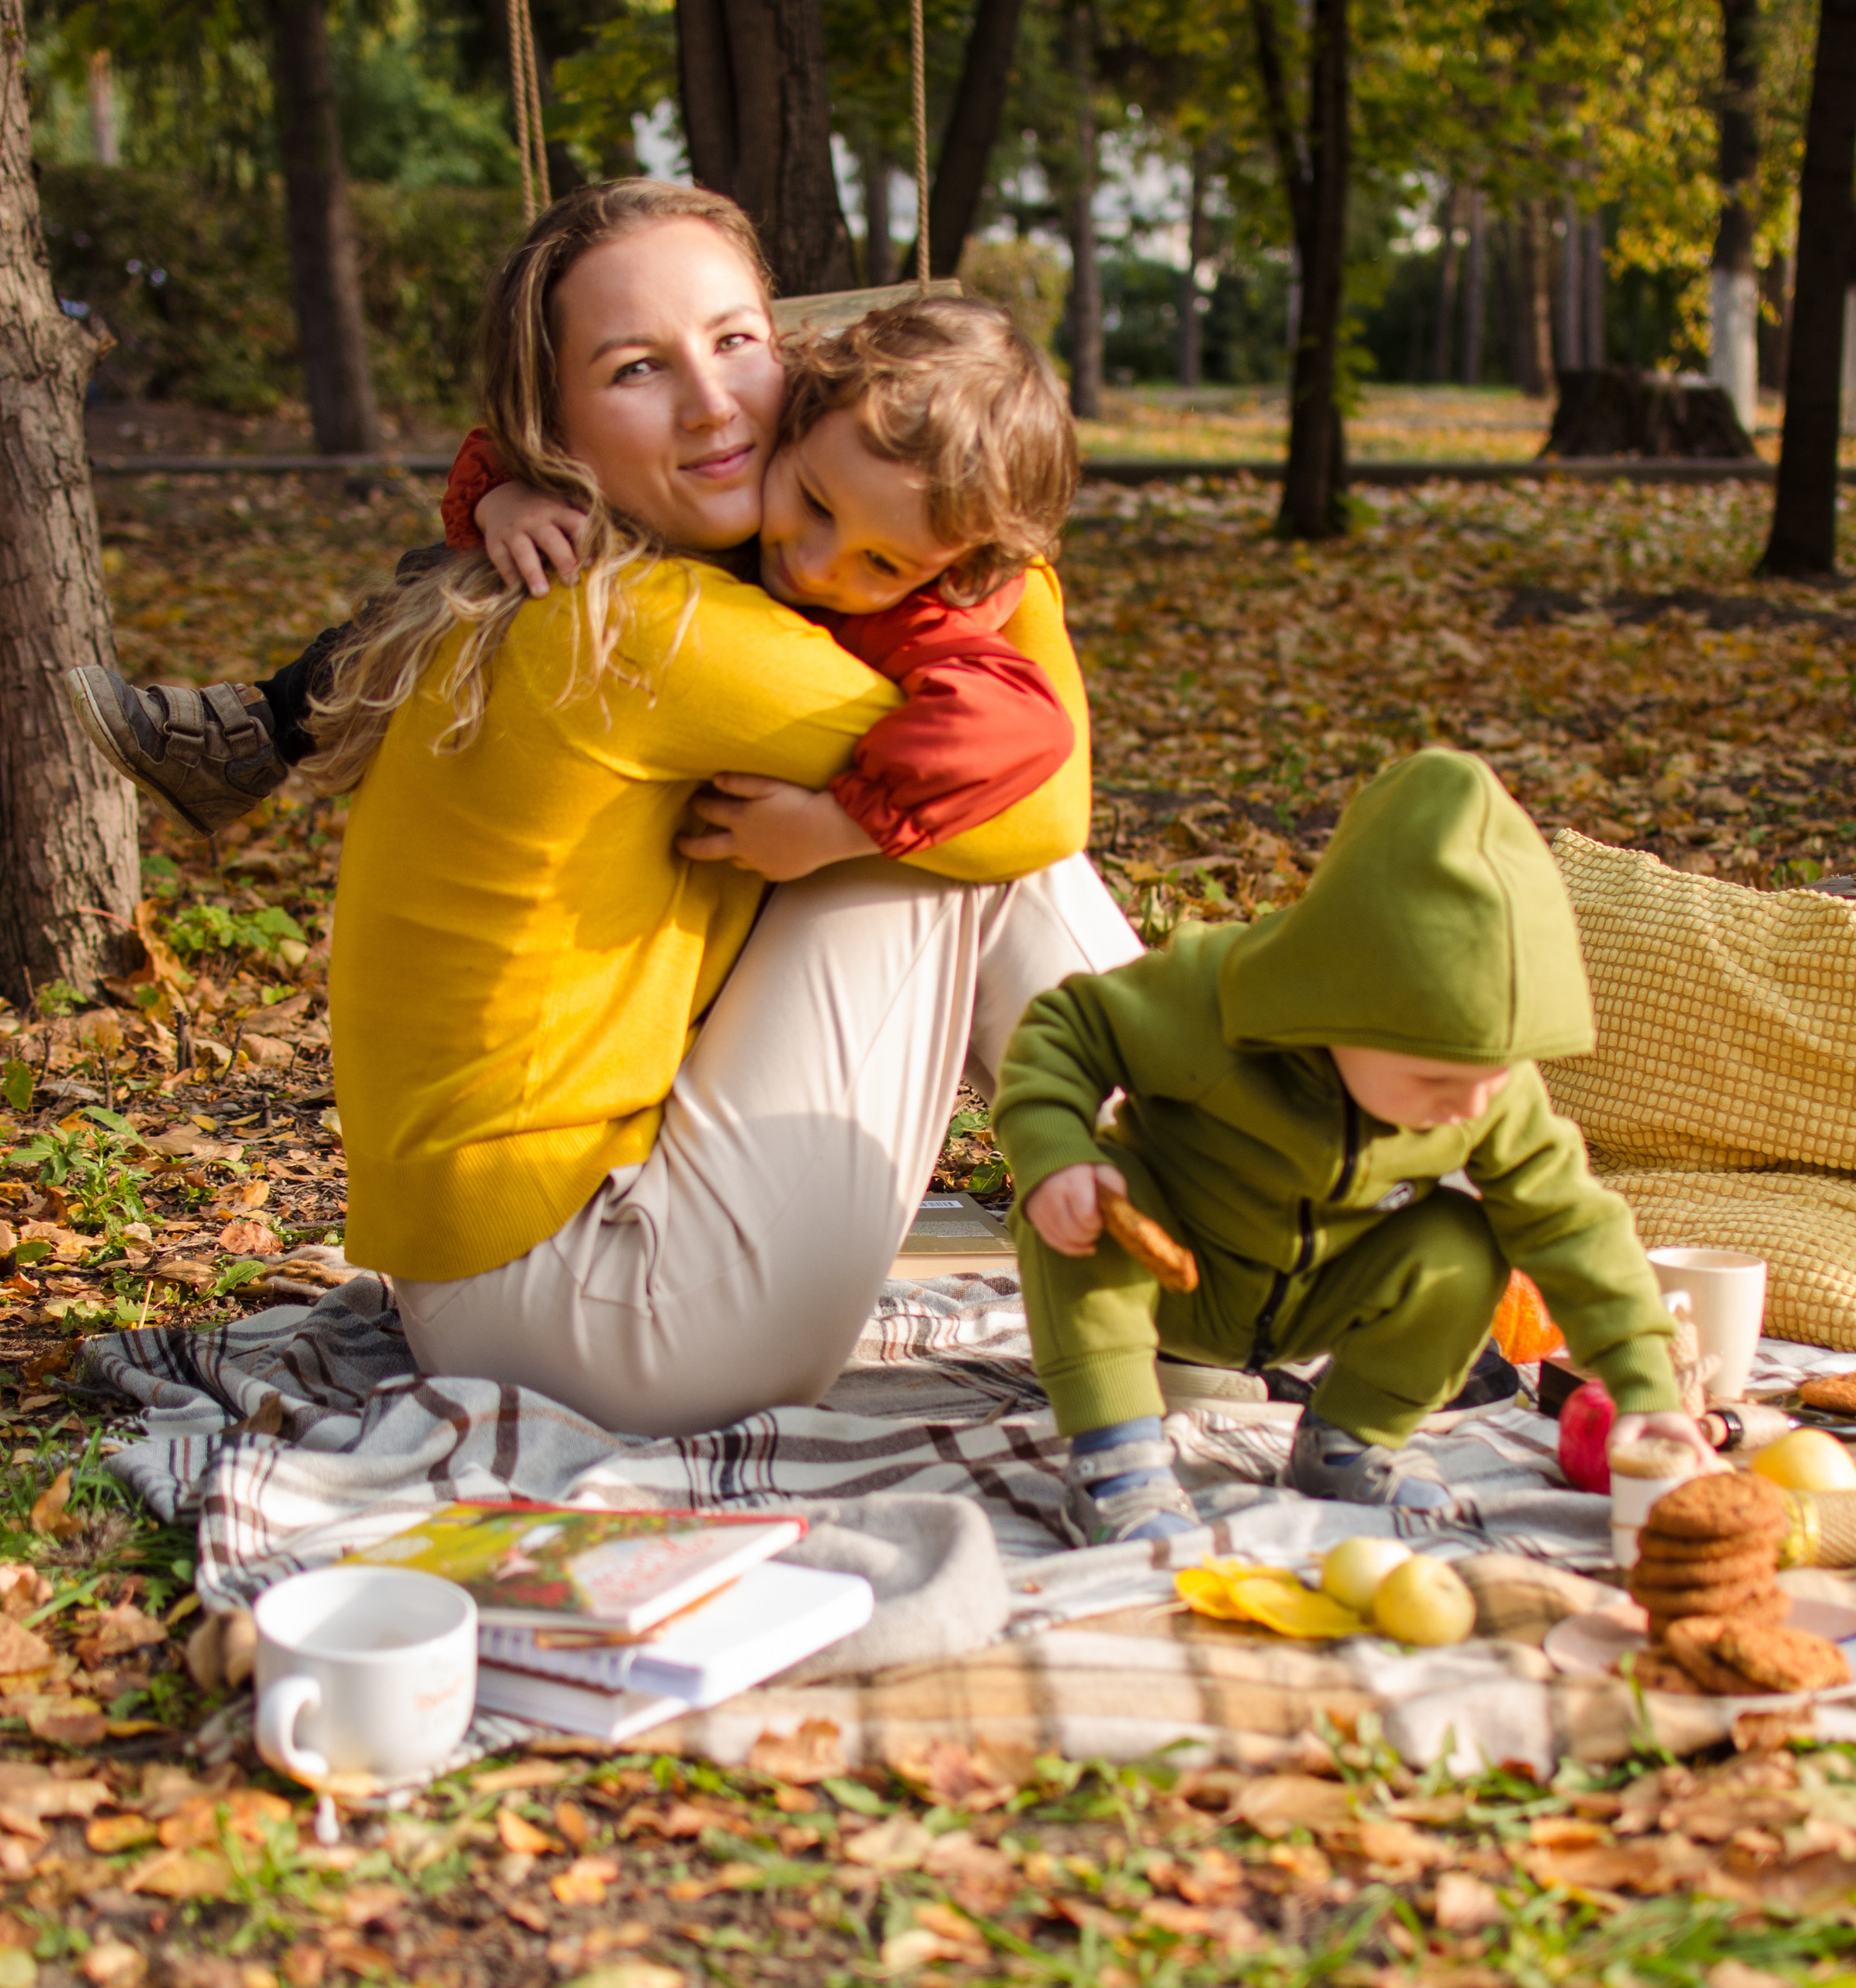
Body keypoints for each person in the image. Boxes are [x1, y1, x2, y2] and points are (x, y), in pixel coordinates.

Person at [85, 180, 1142, 1439]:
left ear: (789, 354)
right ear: (556, 427)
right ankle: (1232, 1232)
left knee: (904, 803)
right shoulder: (661, 627)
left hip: (506, 1279)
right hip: (607, 1314)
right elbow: (1041, 800)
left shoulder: (600, 576)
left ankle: (1202, 1222)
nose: (711, 401)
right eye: (638, 367)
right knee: (946, 830)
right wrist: (991, 537)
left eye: (736, 341)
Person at [64, 294, 1083, 881]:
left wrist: (841, 829)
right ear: (799, 420)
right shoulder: (746, 461)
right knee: (454, 580)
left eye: (882, 562)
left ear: (945, 569)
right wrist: (505, 498)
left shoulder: (913, 614)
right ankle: (255, 732)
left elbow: (1024, 729)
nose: (820, 564)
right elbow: (544, 450)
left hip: (710, 878)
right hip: (555, 757)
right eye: (813, 504)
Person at [993, 749, 1716, 1547]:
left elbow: (1571, 1222)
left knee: (1466, 1244)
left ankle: (1346, 1441)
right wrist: (1054, 1151)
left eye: (1497, 1071)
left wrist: (1647, 1392)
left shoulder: (1484, 1095)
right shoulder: (1210, 999)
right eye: (1436, 1077)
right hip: (1177, 1279)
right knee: (1087, 1205)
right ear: (1339, 1002)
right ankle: (1115, 1460)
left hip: (1324, 1296)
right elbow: (1064, 1031)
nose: (1470, 1105)